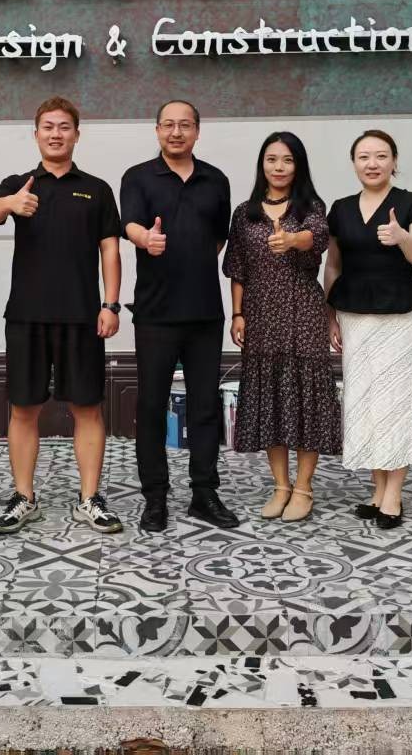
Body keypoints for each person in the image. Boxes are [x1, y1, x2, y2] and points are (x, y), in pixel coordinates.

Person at [0, 96, 124, 534]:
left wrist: (111, 303)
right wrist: (11, 204)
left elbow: (110, 249)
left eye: (64, 127)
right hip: (26, 315)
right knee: (24, 409)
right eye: (48, 126)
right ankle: (24, 497)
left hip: (82, 316)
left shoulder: (96, 189)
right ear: (36, 133)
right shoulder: (19, 183)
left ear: (77, 135)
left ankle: (89, 498)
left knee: (87, 408)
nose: (56, 134)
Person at [120, 99, 239, 532]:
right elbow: (130, 225)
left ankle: (204, 494)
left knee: (205, 406)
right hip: (155, 312)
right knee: (152, 405)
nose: (176, 132)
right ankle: (155, 497)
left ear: (197, 131)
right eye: (168, 125)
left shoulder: (216, 180)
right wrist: (145, 240)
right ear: (157, 130)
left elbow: (219, 239)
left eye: (184, 125)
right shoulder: (137, 177)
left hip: (205, 312)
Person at [223, 131, 338, 522]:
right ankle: (281, 486)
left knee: (306, 400)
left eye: (288, 160)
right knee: (270, 399)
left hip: (303, 312)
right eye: (272, 159)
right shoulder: (245, 213)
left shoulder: (310, 206)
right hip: (260, 315)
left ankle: (304, 488)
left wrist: (291, 239)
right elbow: (237, 268)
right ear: (262, 164)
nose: (279, 167)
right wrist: (238, 314)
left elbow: (316, 237)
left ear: (298, 166)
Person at [322, 130, 412, 530]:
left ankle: (394, 493)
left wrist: (401, 237)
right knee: (365, 400)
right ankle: (377, 488)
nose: (372, 163)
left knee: (395, 401)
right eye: (364, 156)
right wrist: (330, 314)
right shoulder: (340, 208)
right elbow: (333, 265)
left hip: (399, 314)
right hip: (354, 314)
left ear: (394, 161)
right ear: (354, 163)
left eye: (381, 155)